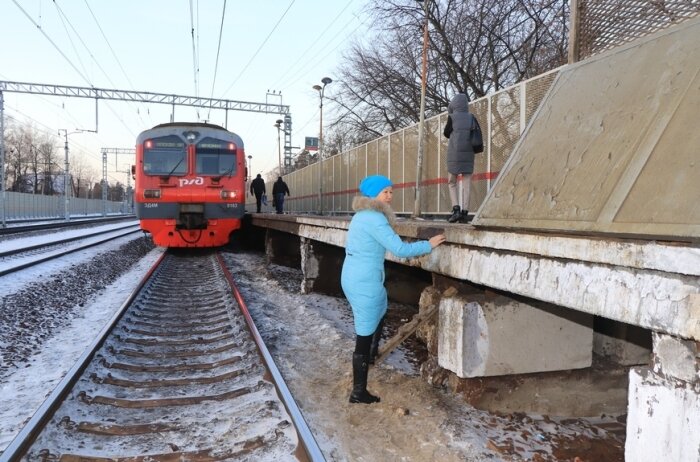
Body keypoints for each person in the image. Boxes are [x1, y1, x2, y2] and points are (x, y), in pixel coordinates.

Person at [341, 175, 446, 404]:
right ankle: (358, 392)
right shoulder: (375, 219)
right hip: (364, 281)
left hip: (354, 275)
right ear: (373, 195)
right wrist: (428, 244)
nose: (389, 196)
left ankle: (370, 354)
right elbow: (399, 249)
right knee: (364, 330)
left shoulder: (361, 216)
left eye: (391, 191)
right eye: (385, 192)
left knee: (380, 307)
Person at [443, 92, 482, 223]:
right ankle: (465, 212)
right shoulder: (471, 117)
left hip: (454, 153)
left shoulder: (452, 117)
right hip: (468, 154)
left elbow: (446, 133)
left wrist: (450, 111)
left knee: (452, 182)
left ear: (454, 104)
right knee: (466, 183)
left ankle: (456, 210)